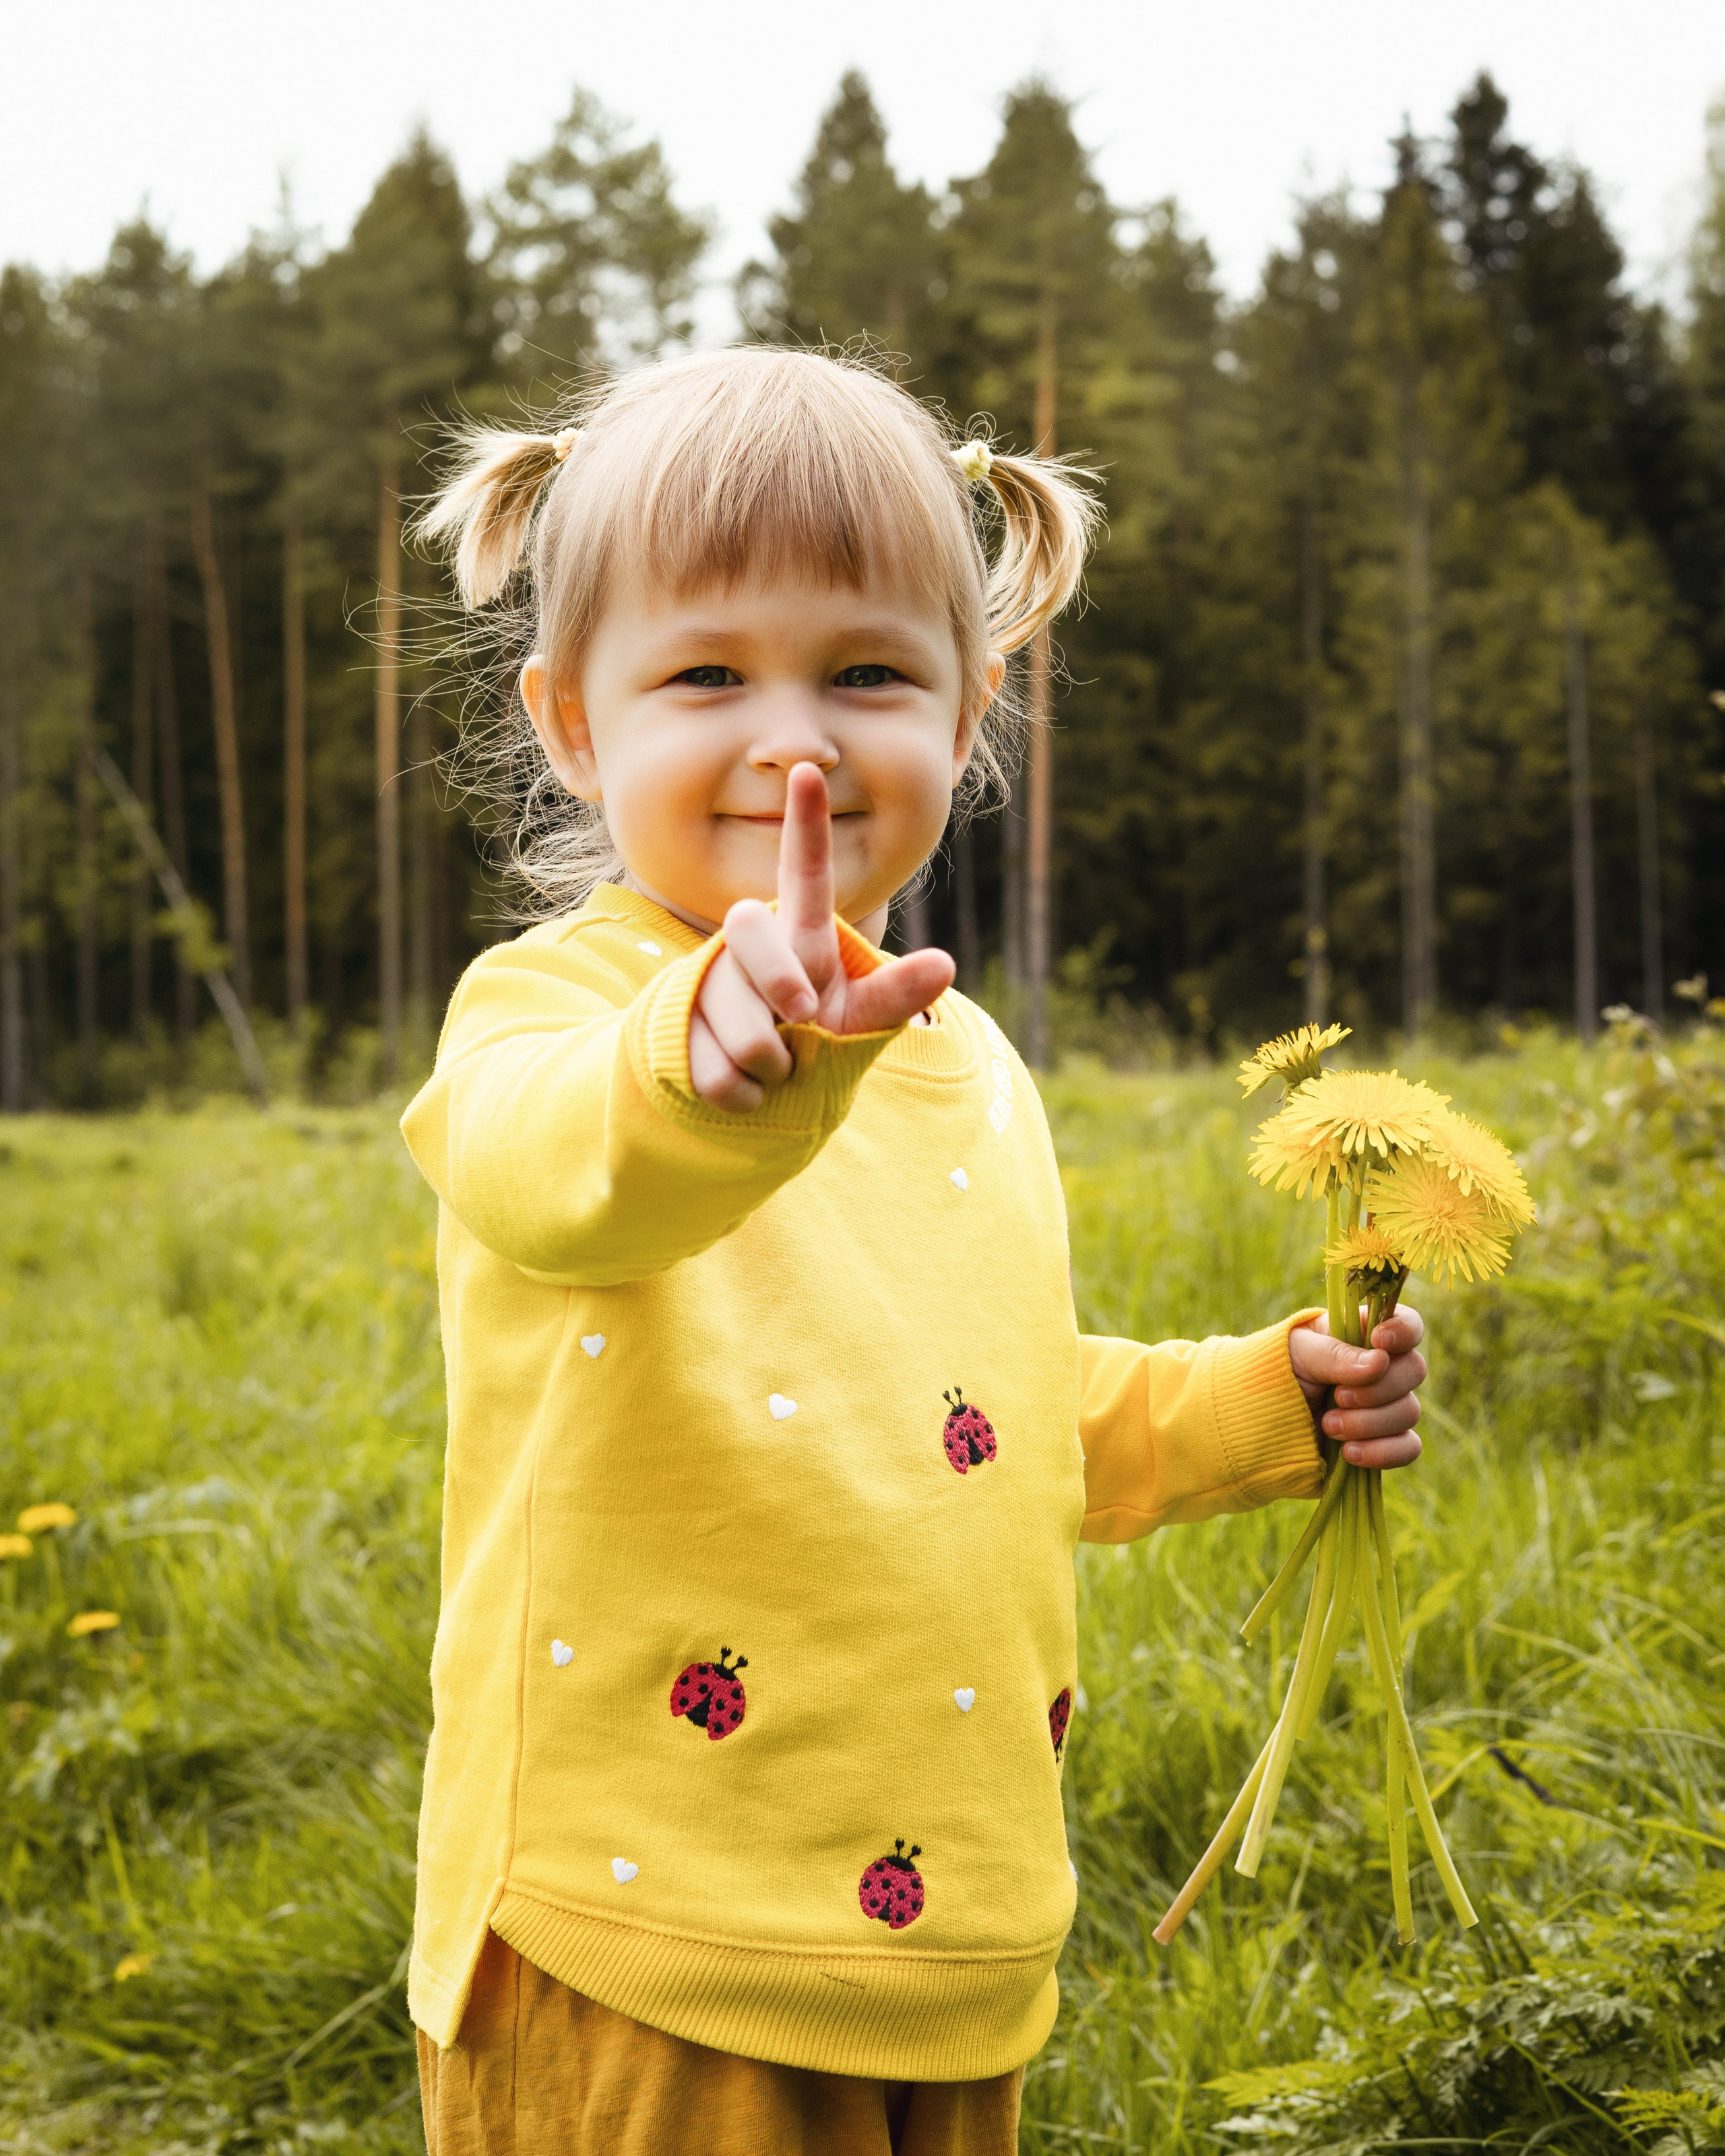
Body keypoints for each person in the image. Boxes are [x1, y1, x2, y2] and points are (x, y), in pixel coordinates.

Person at [400, 348, 1425, 2156]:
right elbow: (551, 1173)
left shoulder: (965, 1059)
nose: (793, 735)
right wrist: (702, 1054)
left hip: (945, 1929)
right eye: (707, 672)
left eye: (866, 672)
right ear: (575, 723)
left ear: (967, 716)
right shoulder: (557, 1014)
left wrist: (1274, 1400)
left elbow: (996, 1416)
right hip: (639, 1934)